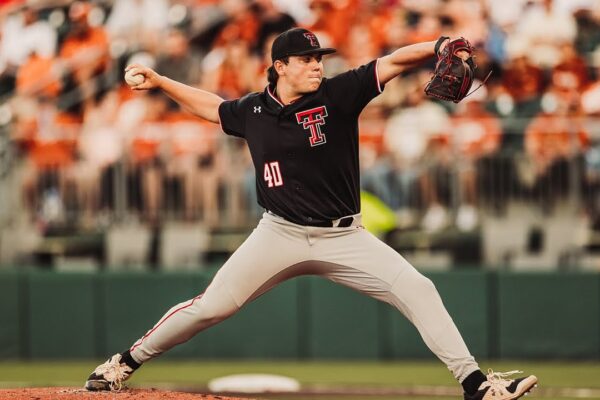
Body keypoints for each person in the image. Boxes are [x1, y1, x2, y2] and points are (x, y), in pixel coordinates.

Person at [84, 28, 538, 400]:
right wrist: (161, 81)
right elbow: (211, 107)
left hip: (345, 236)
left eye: (319, 57)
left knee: (419, 289)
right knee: (210, 308)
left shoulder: (339, 94)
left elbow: (394, 61)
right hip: (277, 234)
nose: (317, 64)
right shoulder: (254, 110)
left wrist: (437, 47)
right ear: (280, 66)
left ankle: (476, 386)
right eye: (306, 58)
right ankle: (123, 363)